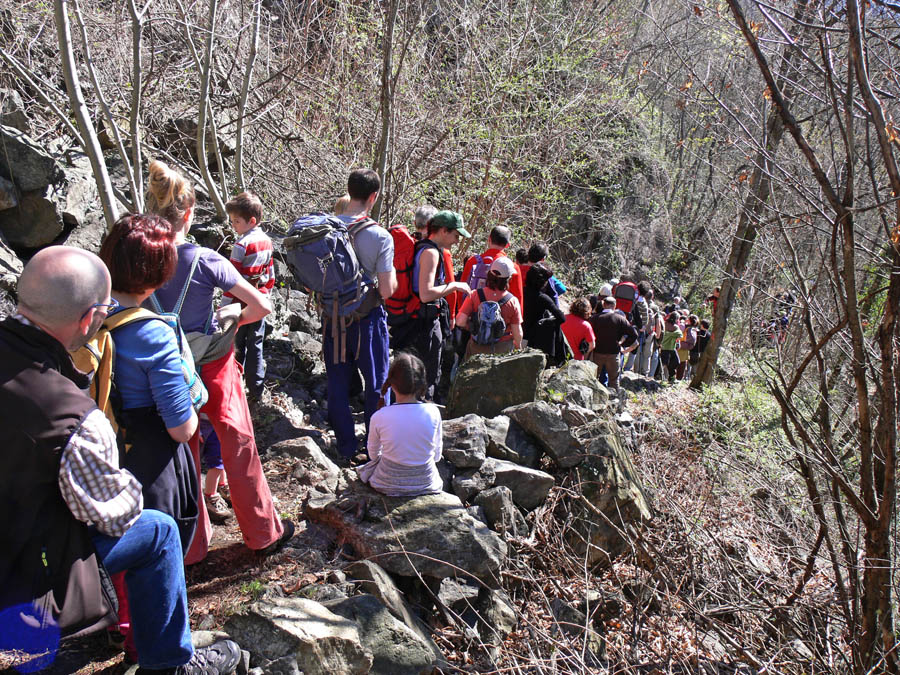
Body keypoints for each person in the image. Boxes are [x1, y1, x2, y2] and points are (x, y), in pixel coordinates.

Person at [0, 246, 240, 675]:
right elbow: (114, 514)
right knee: (158, 531)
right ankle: (167, 665)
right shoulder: (72, 419)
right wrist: (124, 472)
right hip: (28, 563)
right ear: (89, 318)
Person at [145, 159, 291, 563]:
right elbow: (262, 305)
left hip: (166, 367)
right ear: (188, 213)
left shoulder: (139, 259)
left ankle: (192, 547)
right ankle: (262, 533)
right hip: (213, 363)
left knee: (183, 450)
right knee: (237, 441)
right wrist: (234, 318)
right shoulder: (205, 259)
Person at [98, 213, 201, 551]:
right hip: (146, 469)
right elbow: (182, 428)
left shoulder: (84, 317)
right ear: (157, 273)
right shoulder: (153, 333)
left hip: (98, 462)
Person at [328, 168, 397, 461]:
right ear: (373, 196)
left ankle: (345, 447)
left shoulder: (324, 230)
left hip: (332, 319)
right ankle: (375, 449)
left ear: (349, 190)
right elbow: (387, 290)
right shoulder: (380, 236)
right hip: (367, 321)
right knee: (377, 384)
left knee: (337, 384)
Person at [357, 353, 443, 496]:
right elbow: (437, 456)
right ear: (421, 384)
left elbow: (373, 455)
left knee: (365, 470)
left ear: (392, 384)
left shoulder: (379, 416)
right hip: (426, 483)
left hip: (386, 483)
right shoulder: (433, 412)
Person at [409, 210, 472, 398]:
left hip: (417, 320)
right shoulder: (431, 253)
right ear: (444, 230)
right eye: (456, 235)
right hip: (423, 323)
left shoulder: (425, 247)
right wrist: (454, 286)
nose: (457, 241)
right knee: (426, 377)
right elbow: (426, 294)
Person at [226, 191, 274, 403]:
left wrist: (224, 305)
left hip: (239, 303)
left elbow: (231, 280)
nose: (233, 225)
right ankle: (256, 389)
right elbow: (270, 274)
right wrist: (266, 295)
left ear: (251, 221)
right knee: (255, 343)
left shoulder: (241, 245)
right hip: (259, 300)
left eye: (236, 221)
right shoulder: (267, 241)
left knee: (236, 344)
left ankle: (235, 385)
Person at [456, 256, 524, 359]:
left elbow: (460, 321)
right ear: (508, 279)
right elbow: (517, 332)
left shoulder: (474, 295)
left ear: (489, 275)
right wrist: (518, 348)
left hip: (477, 347)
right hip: (502, 350)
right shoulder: (513, 301)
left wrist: (474, 328)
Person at [459, 225, 524, 308]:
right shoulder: (512, 267)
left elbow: (461, 290)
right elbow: (517, 299)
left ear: (489, 239)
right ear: (508, 245)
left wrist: (460, 312)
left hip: (472, 310)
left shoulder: (472, 261)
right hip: (499, 313)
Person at [522, 263, 568, 366]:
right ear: (543, 282)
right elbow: (561, 318)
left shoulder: (521, 292)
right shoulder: (543, 298)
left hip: (520, 334)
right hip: (535, 339)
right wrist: (546, 322)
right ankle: (559, 360)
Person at [588, 296, 638, 389]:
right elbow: (634, 334)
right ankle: (615, 397)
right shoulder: (620, 319)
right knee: (614, 382)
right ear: (615, 306)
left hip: (597, 353)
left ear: (603, 305)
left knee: (593, 379)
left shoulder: (594, 318)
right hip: (613, 354)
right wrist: (623, 344)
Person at [561, 297, 595, 361]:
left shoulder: (562, 319)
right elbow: (592, 345)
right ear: (587, 310)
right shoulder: (586, 325)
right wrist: (583, 352)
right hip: (577, 358)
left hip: (561, 355)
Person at [659, 312, 683, 382]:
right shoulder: (675, 327)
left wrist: (668, 334)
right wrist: (672, 335)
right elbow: (680, 335)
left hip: (666, 347)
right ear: (676, 319)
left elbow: (663, 333)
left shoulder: (664, 324)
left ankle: (670, 378)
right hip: (669, 347)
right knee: (673, 362)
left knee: (667, 363)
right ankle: (662, 377)